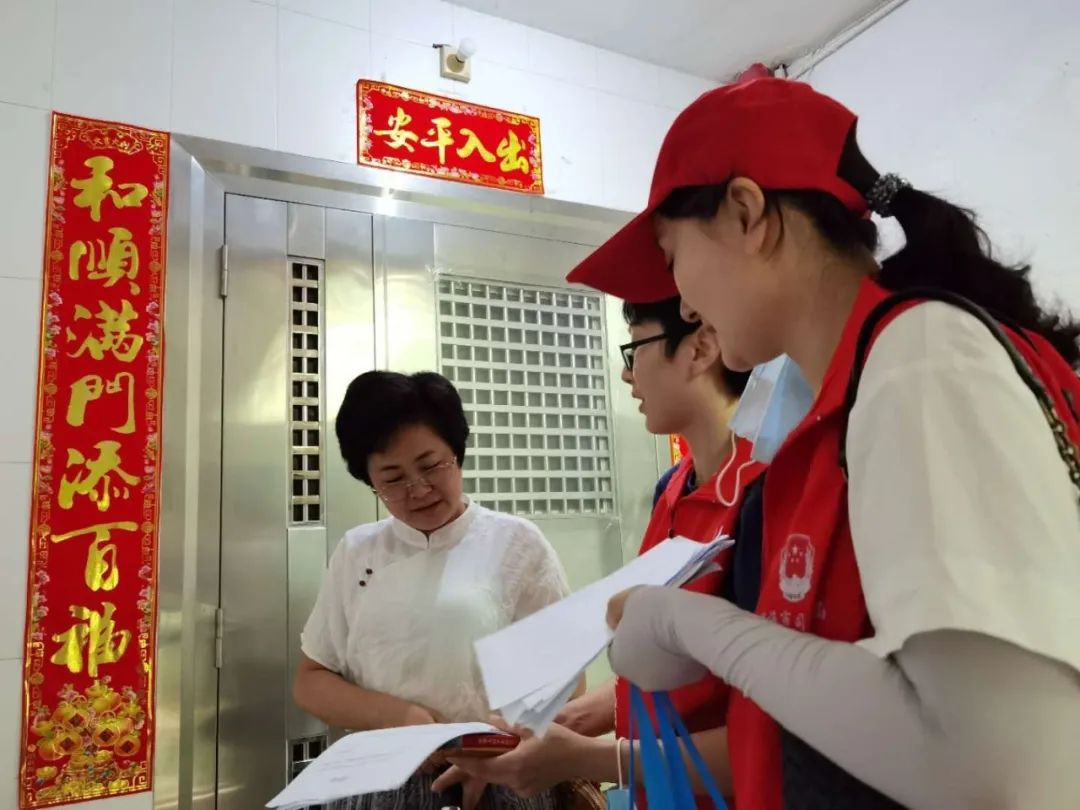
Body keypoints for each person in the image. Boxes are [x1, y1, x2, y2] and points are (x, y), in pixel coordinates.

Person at [567, 76, 1080, 809]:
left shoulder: (921, 360)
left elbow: (994, 767)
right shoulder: (849, 399)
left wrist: (691, 624)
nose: (683, 302)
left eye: (672, 255)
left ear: (747, 214)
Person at [434, 298, 763, 805]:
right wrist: (546, 728)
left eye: (635, 350)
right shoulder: (672, 488)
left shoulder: (763, 493)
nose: (626, 374)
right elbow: (672, 669)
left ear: (700, 347)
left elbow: (771, 744)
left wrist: (585, 758)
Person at [293, 371, 571, 810]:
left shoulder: (515, 542)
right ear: (370, 481)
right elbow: (312, 681)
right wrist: (399, 717)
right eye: (393, 478)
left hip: (499, 775)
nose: (418, 490)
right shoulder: (358, 551)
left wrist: (491, 747)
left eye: (430, 466)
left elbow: (563, 678)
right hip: (377, 778)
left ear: (456, 453)